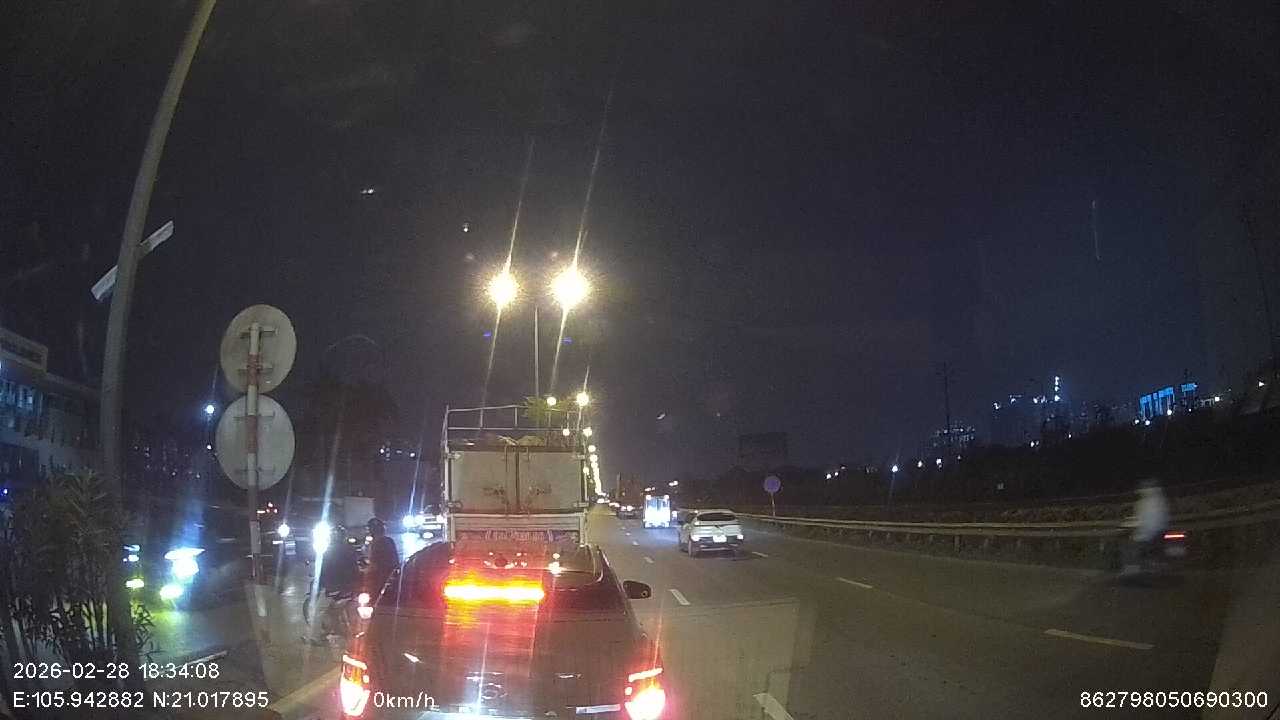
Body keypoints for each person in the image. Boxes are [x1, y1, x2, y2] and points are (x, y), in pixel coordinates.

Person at [1122, 478, 1170, 576]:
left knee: (1128, 545)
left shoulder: (1143, 502)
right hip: (1160, 531)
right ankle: (1152, 565)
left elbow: (1143, 520)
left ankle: (1131, 570)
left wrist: (1129, 525)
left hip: (1148, 533)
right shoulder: (1160, 500)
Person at [364, 517, 400, 594]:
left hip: (380, 578)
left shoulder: (377, 543)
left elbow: (374, 564)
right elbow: (396, 561)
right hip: (389, 576)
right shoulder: (388, 541)